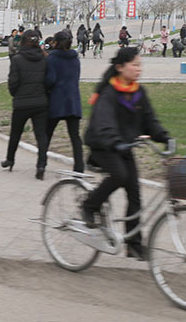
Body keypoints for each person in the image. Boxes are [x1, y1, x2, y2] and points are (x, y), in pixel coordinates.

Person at [82, 47, 170, 260]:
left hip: (124, 147)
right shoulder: (109, 93)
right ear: (120, 67)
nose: (139, 69)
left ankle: (133, 244)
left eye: (140, 65)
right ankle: (89, 204)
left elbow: (149, 119)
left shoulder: (138, 92)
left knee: (135, 194)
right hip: (103, 146)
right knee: (120, 175)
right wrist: (116, 142)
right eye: (135, 64)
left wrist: (165, 136)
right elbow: (104, 124)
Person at [2, 30, 49, 180]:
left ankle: (10, 160)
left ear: (22, 42)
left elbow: (13, 82)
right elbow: (48, 81)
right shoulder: (45, 59)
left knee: (15, 133)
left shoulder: (17, 59)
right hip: (41, 102)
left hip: (21, 102)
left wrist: (15, 94)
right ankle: (41, 165)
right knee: (41, 135)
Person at [45, 31, 84, 173]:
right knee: (75, 137)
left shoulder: (52, 59)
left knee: (47, 133)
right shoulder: (75, 58)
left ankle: (41, 163)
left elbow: (50, 80)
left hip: (56, 101)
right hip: (73, 100)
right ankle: (79, 167)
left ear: (55, 42)